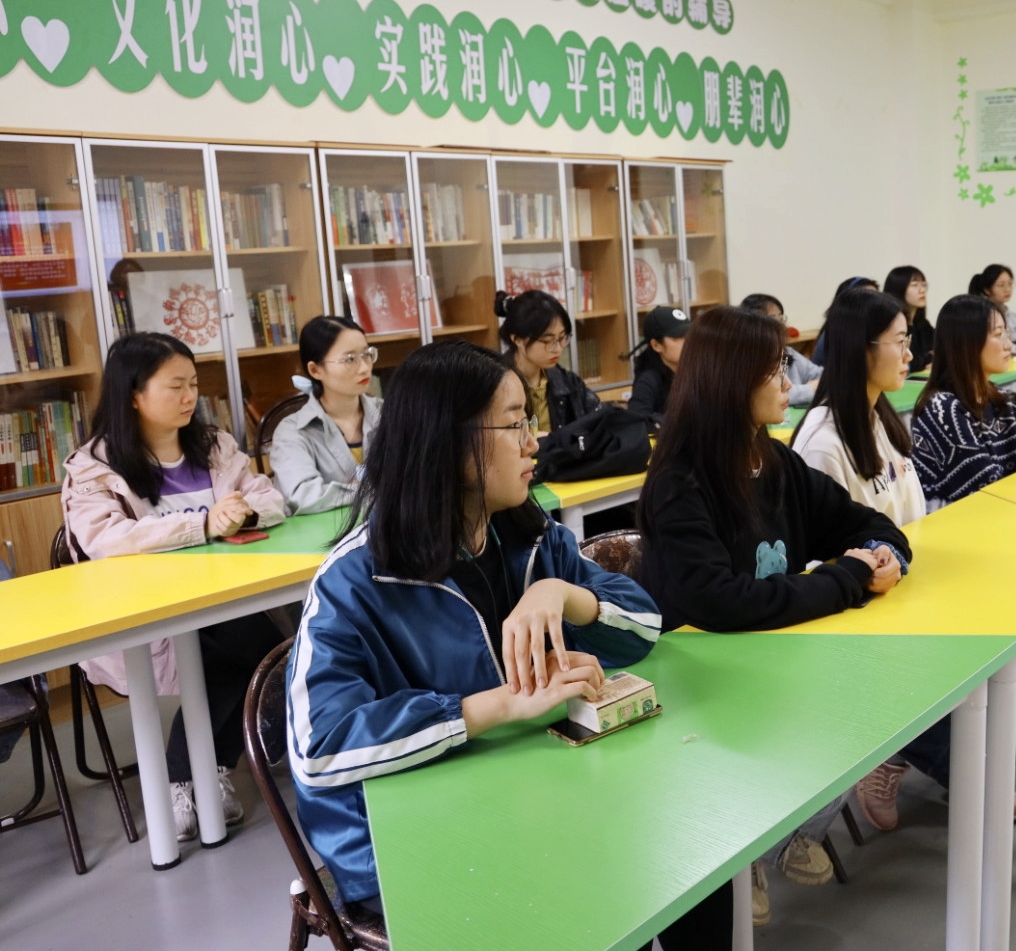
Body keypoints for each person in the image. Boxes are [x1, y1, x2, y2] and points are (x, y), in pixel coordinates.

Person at [283, 341, 724, 944]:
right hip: (406, 840)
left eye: (529, 421)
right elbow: (321, 748)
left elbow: (645, 625)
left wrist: (562, 595)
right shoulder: (355, 580)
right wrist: (501, 704)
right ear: (446, 442)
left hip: (530, 790)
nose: (534, 442)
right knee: (600, 874)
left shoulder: (530, 539)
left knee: (694, 850)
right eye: (514, 424)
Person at [637, 306, 910, 916]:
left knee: (876, 697)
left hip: (770, 657)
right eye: (774, 373)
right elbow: (721, 602)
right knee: (838, 702)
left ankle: (779, 840)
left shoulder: (772, 460)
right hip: (699, 680)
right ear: (733, 381)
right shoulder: (681, 481)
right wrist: (847, 578)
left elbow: (863, 522)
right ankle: (746, 849)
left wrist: (884, 555)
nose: (789, 384)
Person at [62, 332, 286, 842]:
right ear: (133, 394)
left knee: (262, 646)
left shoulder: (214, 446)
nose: (191, 397)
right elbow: (106, 540)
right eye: (175, 386)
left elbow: (270, 498)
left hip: (225, 598)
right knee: (237, 654)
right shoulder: (94, 466)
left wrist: (244, 512)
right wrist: (203, 524)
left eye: (194, 384)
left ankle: (200, 773)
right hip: (148, 610)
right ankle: (190, 776)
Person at [865, 294, 1016, 827]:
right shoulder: (943, 409)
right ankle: (943, 765)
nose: (1009, 341)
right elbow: (983, 491)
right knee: (1003, 646)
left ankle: (988, 762)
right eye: (997, 332)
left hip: (985, 551)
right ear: (968, 343)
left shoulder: (998, 402)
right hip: (943, 557)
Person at [791, 288, 925, 531]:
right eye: (900, 342)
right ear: (860, 349)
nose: (909, 355)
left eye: (907, 341)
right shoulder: (822, 443)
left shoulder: (880, 417)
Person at [272, 316, 382, 515]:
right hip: (324, 534)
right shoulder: (293, 431)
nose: (365, 367)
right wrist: (375, 490)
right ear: (315, 370)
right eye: (350, 359)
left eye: (366, 355)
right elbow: (303, 496)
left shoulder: (389, 413)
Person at [495, 289, 601, 435]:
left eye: (562, 338)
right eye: (547, 341)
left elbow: (598, 420)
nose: (558, 349)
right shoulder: (497, 386)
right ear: (517, 339)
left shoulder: (567, 381)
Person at [741, 292, 823, 407]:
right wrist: (810, 389)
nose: (782, 325)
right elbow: (773, 394)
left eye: (781, 318)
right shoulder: (746, 360)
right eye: (773, 318)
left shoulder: (786, 352)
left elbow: (820, 375)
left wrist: (819, 384)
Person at [627, 305, 690, 424]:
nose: (687, 342)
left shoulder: (695, 372)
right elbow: (636, 419)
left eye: (688, 335)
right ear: (656, 345)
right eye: (677, 337)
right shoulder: (649, 380)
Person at [969, 263, 1016, 356]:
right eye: (1001, 285)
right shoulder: (981, 318)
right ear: (987, 290)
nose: (1007, 289)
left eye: (1010, 284)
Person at [811, 276, 879, 365]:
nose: (876, 304)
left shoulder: (863, 328)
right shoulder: (839, 333)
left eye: (877, 298)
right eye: (867, 299)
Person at [882, 265, 934, 370]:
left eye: (924, 285)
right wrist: (927, 358)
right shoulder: (890, 325)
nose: (922, 290)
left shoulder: (923, 324)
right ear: (898, 289)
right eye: (915, 285)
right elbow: (904, 362)